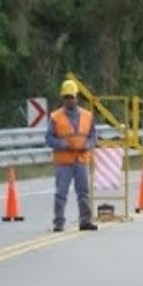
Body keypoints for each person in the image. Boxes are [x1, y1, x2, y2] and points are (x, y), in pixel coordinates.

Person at [46, 79, 98, 232]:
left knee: (83, 192)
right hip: (64, 161)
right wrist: (63, 145)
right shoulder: (55, 117)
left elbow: (93, 135)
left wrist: (87, 145)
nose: (69, 100)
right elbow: (49, 138)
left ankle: (85, 221)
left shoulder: (88, 116)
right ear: (63, 99)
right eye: (66, 97)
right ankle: (59, 222)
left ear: (77, 97)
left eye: (71, 97)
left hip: (81, 159)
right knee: (61, 193)